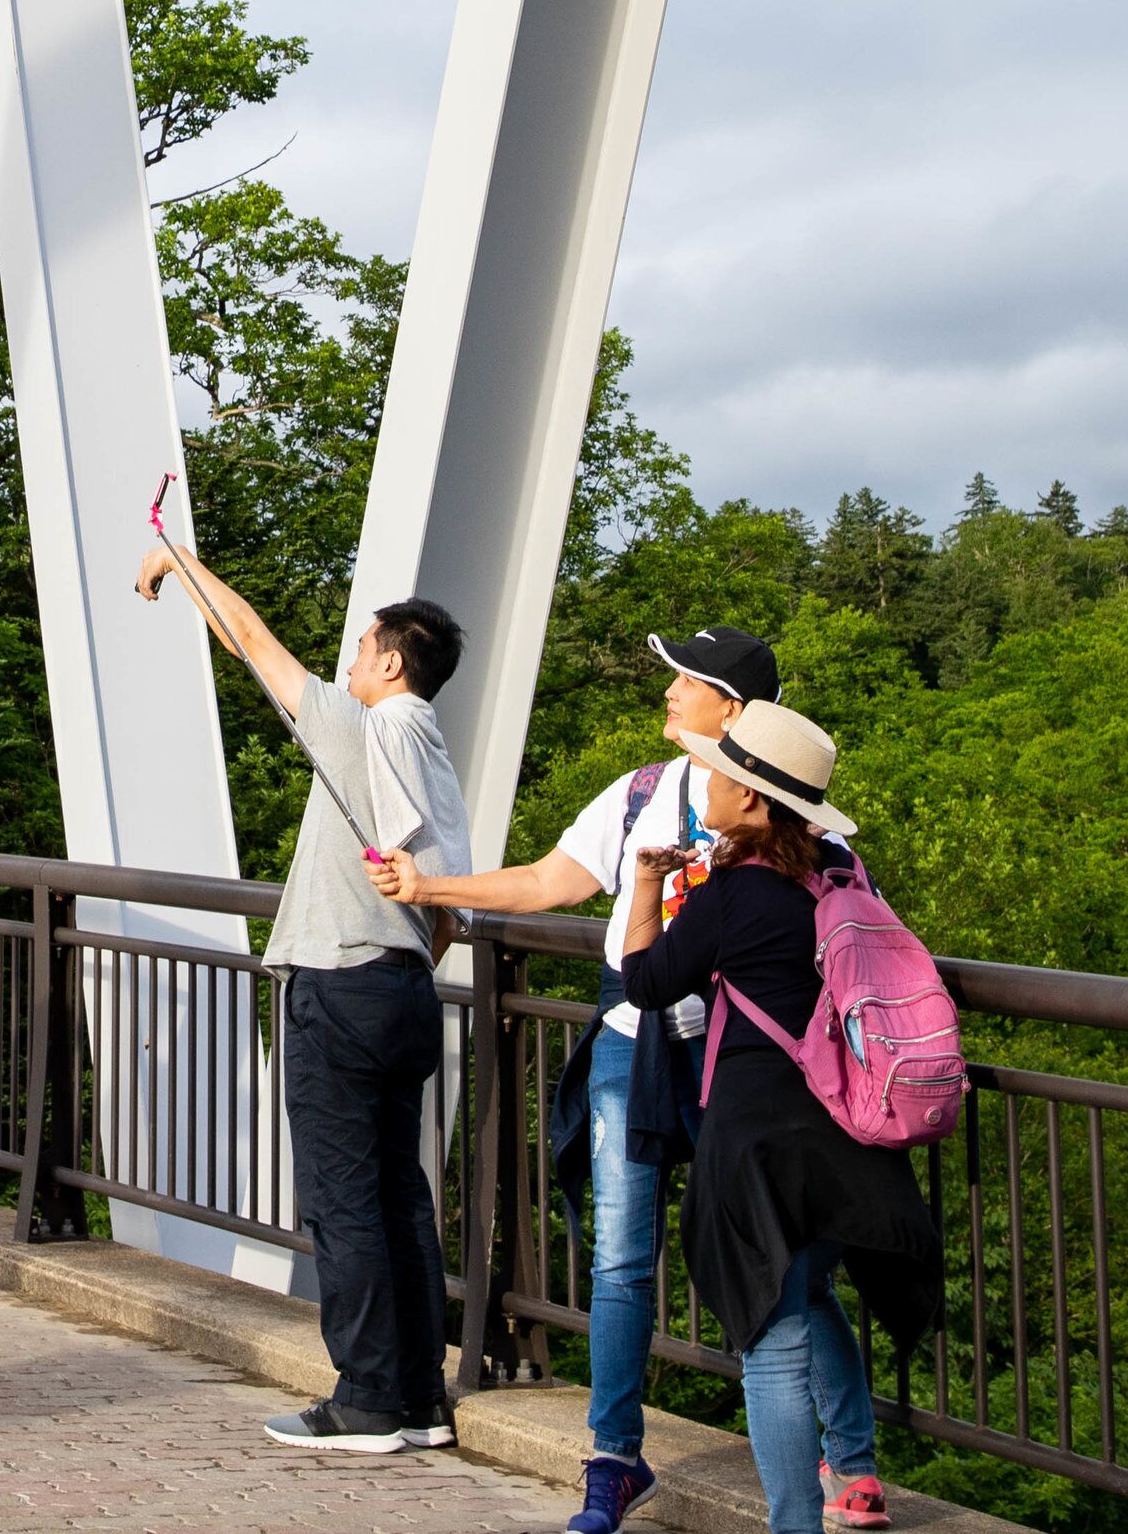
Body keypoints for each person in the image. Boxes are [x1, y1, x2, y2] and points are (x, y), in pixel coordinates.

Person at [374, 628, 889, 1530]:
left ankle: (850, 1456)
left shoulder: (775, 823)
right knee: (621, 1260)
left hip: (742, 1058)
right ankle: (614, 1458)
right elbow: (547, 882)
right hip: (635, 1039)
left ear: (732, 712)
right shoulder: (643, 794)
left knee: (791, 1275)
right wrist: (430, 890)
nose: (667, 693)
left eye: (684, 681)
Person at [136, 533, 472, 1455]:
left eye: (362, 649)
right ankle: (418, 1397)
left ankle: (366, 1399)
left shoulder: (364, 728)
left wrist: (179, 562)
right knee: (400, 1194)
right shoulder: (435, 754)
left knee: (344, 1198)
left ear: (393, 662)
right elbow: (447, 908)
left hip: (339, 985)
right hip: (405, 987)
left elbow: (249, 640)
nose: (349, 662)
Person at [614, 702, 940, 1534]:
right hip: (851, 1140)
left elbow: (647, 982)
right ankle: (856, 1471)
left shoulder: (735, 895)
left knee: (773, 1345)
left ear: (753, 803)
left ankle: (795, 1524)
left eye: (722, 776)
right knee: (805, 1288)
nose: (709, 785)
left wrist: (649, 882)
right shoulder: (838, 878)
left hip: (758, 1146)